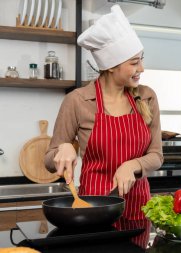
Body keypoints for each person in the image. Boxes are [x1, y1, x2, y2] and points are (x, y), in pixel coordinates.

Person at [44, 4, 163, 240]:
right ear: (110, 65)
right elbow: (49, 160)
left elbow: (157, 156)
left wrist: (133, 165)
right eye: (133, 62)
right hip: (92, 212)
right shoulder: (77, 100)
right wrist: (64, 148)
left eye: (141, 60)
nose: (142, 68)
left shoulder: (147, 96)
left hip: (137, 210)